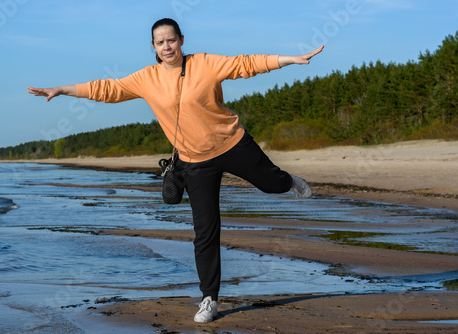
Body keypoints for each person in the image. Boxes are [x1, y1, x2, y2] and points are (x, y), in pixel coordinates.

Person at [28, 18, 323, 323]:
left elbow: (245, 64)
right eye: (160, 42)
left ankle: (289, 181)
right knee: (205, 231)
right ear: (153, 47)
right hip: (194, 161)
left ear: (181, 40)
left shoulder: (205, 64)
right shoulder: (147, 78)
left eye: (171, 40)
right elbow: (108, 89)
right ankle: (209, 298)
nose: (166, 47)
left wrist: (289, 59)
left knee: (271, 184)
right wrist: (63, 89)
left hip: (231, 143)